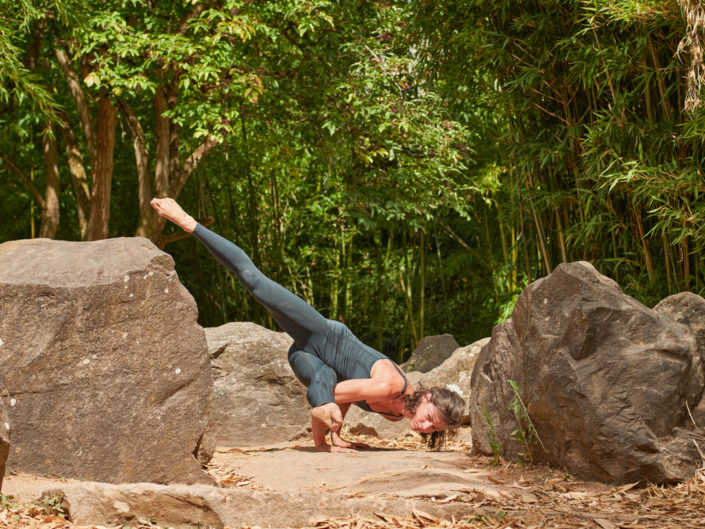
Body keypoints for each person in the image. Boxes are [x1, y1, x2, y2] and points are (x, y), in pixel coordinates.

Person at [151, 198, 466, 452]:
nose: (424, 427)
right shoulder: (390, 387)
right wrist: (328, 413)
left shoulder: (399, 414)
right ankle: (188, 221)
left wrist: (328, 441)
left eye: (433, 429)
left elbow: (336, 395)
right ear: (426, 398)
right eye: (429, 419)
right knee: (256, 283)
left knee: (324, 379)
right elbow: (329, 395)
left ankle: (322, 442)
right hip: (322, 336)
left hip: (309, 360)